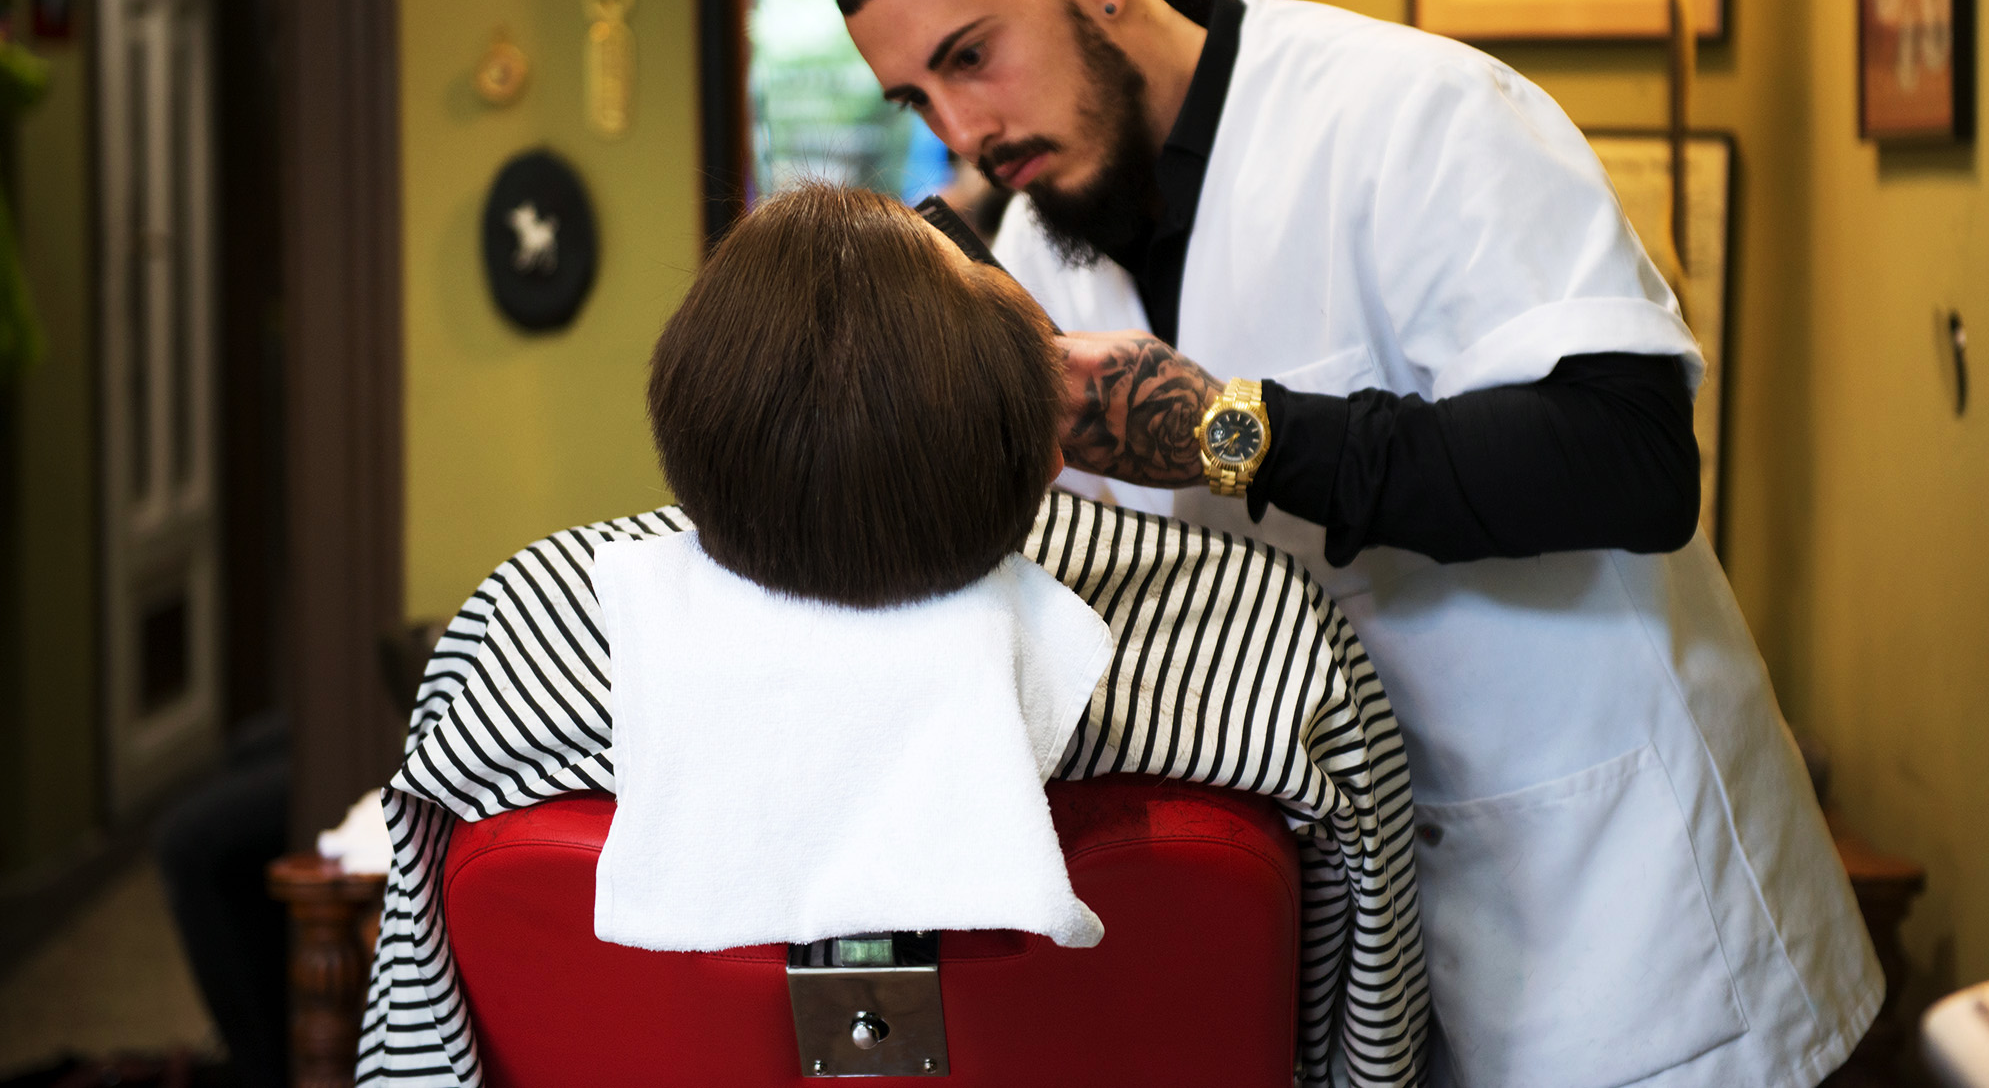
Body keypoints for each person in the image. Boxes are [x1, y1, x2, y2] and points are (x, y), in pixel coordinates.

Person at [831, 0, 1882, 1088]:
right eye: (917, 98)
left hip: (1630, 925)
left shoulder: (1416, 116)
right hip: (1359, 952)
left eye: (970, 57)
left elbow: (1629, 459)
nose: (962, 129)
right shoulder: (1041, 260)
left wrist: (1232, 429)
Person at [358, 186, 1424, 1088]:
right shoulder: (1262, 642)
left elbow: (420, 1043)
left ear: (688, 442)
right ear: (1047, 456)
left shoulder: (523, 633)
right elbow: (1367, 1044)